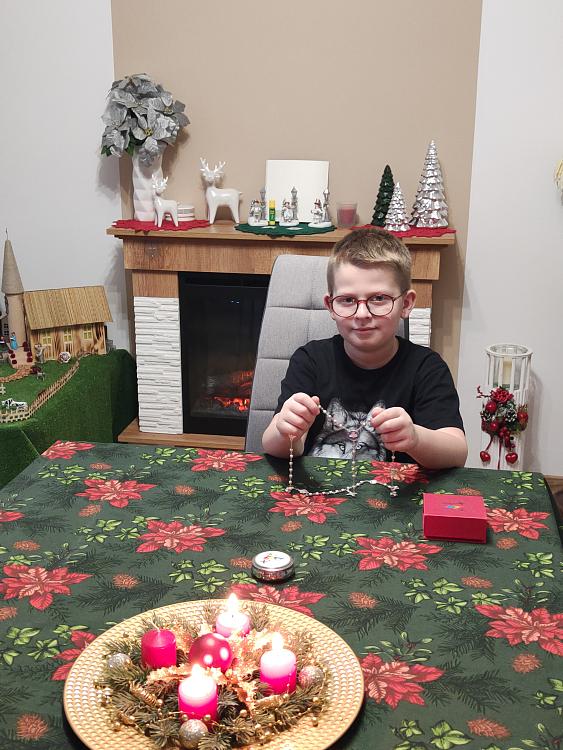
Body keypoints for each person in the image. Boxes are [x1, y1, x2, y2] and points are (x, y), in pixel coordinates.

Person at [262, 227, 467, 469]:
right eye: (347, 300)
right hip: (319, 490)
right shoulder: (310, 360)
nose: (362, 314)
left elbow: (457, 452)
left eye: (379, 298)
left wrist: (416, 439)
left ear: (406, 304)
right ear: (330, 305)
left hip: (395, 491)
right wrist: (286, 431)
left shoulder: (427, 368)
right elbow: (274, 445)